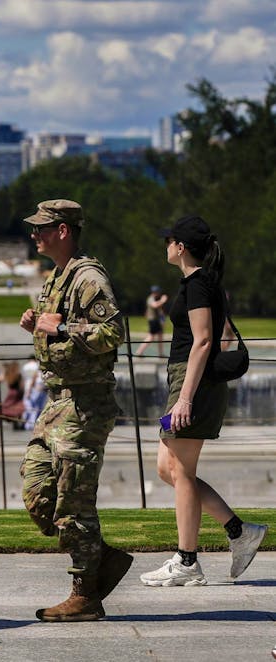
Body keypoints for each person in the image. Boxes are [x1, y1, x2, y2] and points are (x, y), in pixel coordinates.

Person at [18, 199, 133, 622]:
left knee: (73, 502)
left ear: (63, 231)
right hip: (58, 401)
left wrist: (61, 326)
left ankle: (85, 593)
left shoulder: (87, 277)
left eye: (42, 228)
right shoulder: (57, 278)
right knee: (37, 492)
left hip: (85, 403)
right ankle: (101, 557)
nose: (35, 235)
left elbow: (112, 330)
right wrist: (39, 324)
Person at [140, 216, 267, 587]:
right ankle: (239, 531)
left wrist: (185, 398)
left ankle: (187, 560)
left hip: (191, 381)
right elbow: (218, 336)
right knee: (170, 469)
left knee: (179, 471)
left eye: (169, 240)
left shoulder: (198, 283)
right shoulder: (204, 281)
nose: (165, 245)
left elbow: (204, 341)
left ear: (181, 246)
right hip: (191, 378)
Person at [136, 285, 169, 357]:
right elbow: (154, 306)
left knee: (160, 336)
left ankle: (161, 353)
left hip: (157, 320)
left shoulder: (156, 299)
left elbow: (160, 311)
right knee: (151, 337)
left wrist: (163, 320)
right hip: (153, 320)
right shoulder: (151, 299)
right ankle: (139, 352)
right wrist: (163, 300)